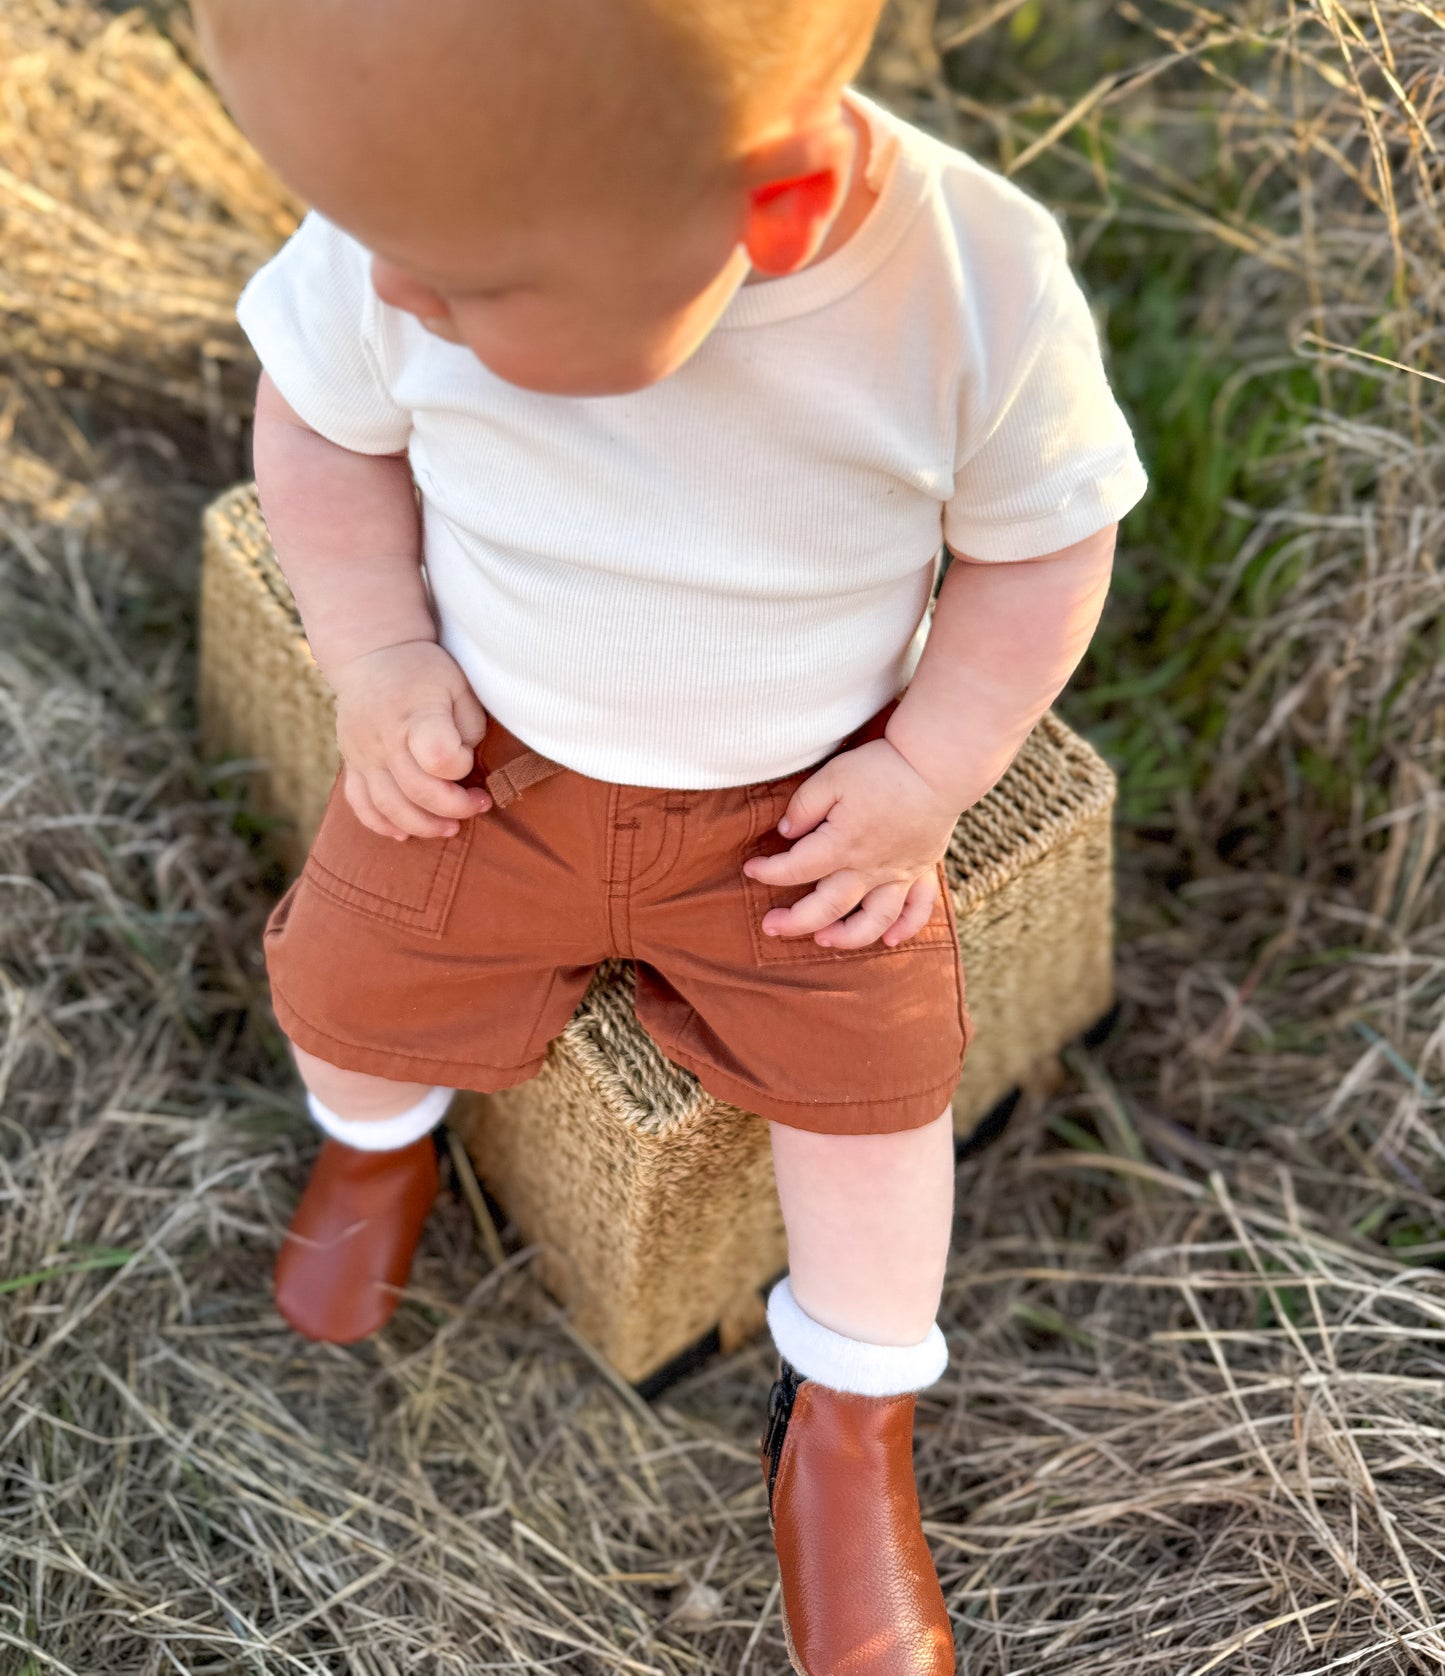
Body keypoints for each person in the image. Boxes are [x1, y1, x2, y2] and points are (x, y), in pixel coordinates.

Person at [194, 1, 1147, 1668]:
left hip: (803, 812)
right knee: (345, 977)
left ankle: (849, 1414)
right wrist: (378, 654)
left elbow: (1041, 549)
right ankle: (374, 1140)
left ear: (775, 208)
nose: (396, 293)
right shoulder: (421, 218)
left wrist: (926, 774)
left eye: (467, 285)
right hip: (489, 758)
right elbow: (323, 428)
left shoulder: (969, 285)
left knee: (874, 1090)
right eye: (370, 237)